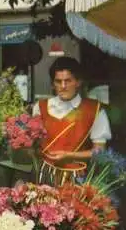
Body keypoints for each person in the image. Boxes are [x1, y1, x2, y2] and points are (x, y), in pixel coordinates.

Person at [32, 57, 111, 185]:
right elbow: (34, 145)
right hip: (43, 176)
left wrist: (69, 155)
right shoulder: (40, 107)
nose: (63, 86)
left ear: (78, 82)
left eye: (68, 81)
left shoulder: (94, 109)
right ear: (53, 84)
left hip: (76, 179)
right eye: (58, 81)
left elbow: (100, 151)